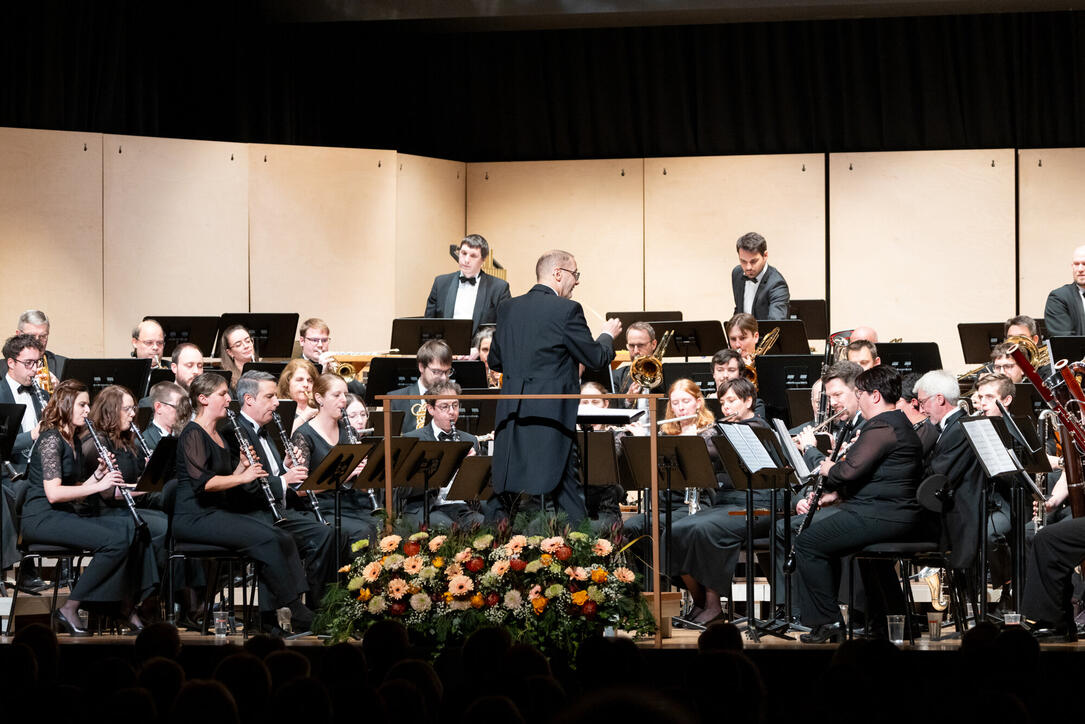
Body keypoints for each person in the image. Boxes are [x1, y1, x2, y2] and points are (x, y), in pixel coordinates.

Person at [795, 365, 929, 643]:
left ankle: (828, 621)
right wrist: (834, 495)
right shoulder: (895, 423)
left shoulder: (883, 426)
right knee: (869, 560)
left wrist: (819, 460)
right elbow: (869, 475)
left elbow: (846, 472)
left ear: (875, 396)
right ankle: (896, 623)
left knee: (808, 543)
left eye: (859, 393)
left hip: (883, 515)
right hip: (892, 514)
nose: (857, 399)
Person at [173, 372, 315, 632]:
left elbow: (226, 477)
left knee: (282, 536)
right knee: (267, 539)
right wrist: (245, 477)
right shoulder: (192, 433)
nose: (229, 399)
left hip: (215, 513)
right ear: (204, 399)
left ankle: (284, 614)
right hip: (194, 518)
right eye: (223, 394)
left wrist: (241, 467)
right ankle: (292, 609)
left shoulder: (217, 434)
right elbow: (203, 483)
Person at [488, 250, 621, 524]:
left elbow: (496, 361)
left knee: (507, 496)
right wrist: (607, 336)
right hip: (551, 419)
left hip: (512, 417)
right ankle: (580, 556)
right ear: (558, 273)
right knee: (566, 492)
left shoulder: (507, 308)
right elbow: (596, 357)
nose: (577, 282)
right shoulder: (567, 310)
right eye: (576, 274)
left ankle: (496, 555)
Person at [19, 380, 158, 635]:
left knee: (133, 527)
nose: (87, 410)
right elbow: (53, 493)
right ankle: (72, 607)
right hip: (42, 519)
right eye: (82, 404)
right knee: (115, 540)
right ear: (65, 405)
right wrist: (98, 485)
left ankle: (122, 605)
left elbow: (79, 485)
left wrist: (99, 475)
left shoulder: (70, 439)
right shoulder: (51, 438)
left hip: (61, 515)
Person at [668, 377, 773, 628]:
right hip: (727, 505)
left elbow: (714, 448)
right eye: (723, 402)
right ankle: (701, 602)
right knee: (676, 530)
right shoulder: (724, 428)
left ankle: (715, 606)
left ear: (748, 401)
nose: (726, 407)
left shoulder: (756, 426)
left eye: (732, 401)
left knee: (707, 530)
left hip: (756, 507)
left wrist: (695, 437)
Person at [227, 370, 336, 608]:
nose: (277, 403)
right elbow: (248, 485)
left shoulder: (267, 429)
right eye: (270, 397)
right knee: (315, 536)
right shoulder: (235, 432)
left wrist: (284, 466)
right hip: (255, 512)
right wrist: (286, 479)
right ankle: (304, 609)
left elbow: (270, 473)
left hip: (279, 507)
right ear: (249, 400)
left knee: (330, 532)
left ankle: (319, 607)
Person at [291, 374, 381, 552]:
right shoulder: (304, 435)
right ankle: (347, 578)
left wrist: (365, 474)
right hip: (321, 508)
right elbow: (299, 489)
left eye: (345, 395)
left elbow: (360, 486)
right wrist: (344, 475)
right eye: (336, 395)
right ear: (319, 398)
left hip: (352, 503)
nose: (343, 400)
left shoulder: (349, 433)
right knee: (362, 532)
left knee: (387, 525)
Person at [0, 333, 51, 589]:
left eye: (37, 363)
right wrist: (33, 434)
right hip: (8, 470)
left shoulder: (44, 396)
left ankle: (65, 569)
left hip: (39, 470)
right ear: (11, 362)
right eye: (29, 363)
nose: (35, 370)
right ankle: (25, 569)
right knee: (22, 494)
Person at [402, 381, 486, 530]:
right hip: (426, 506)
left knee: (484, 524)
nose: (452, 411)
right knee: (448, 528)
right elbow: (402, 489)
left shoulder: (470, 440)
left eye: (455, 405)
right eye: (444, 407)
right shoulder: (413, 439)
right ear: (431, 409)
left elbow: (477, 488)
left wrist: (470, 469)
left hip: (460, 506)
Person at [424, 234, 512, 335]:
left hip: (479, 349)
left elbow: (505, 327)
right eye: (463, 253)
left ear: (483, 260)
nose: (466, 260)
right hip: (446, 349)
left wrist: (480, 349)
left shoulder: (499, 288)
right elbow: (428, 326)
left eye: (473, 256)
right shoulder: (440, 283)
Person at [577, 381, 625, 534]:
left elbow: (612, 456)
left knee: (589, 530)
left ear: (605, 404)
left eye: (595, 402)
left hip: (605, 509)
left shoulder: (617, 435)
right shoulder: (570, 435)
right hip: (573, 506)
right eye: (584, 402)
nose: (589, 406)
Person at [387, 340, 454, 435]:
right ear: (421, 367)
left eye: (447, 372)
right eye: (437, 372)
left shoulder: (454, 398)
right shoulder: (396, 399)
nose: (444, 378)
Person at [296, 318, 366, 398]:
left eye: (324, 340)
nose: (320, 345)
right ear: (302, 341)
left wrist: (336, 375)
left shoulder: (333, 364)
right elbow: (309, 398)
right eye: (315, 340)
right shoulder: (295, 368)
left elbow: (361, 392)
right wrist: (325, 376)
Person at [729, 232, 790, 320]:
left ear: (765, 255)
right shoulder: (737, 273)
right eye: (743, 261)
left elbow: (775, 324)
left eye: (753, 261)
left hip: (764, 333)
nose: (748, 267)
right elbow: (739, 309)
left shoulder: (777, 284)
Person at [613, 322, 657, 410]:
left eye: (641, 345)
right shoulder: (616, 376)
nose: (636, 351)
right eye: (631, 346)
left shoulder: (666, 375)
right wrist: (628, 400)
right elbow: (611, 411)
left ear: (653, 344)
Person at [1043, 245, 1085, 337]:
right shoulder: (1058, 298)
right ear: (1072, 266)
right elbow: (1065, 341)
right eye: (1076, 264)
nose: (1080, 269)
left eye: (1084, 264)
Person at [16, 309, 66, 382]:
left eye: (43, 336)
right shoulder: (2, 368)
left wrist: (60, 390)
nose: (37, 342)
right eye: (31, 336)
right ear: (18, 335)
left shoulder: (64, 365)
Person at [278, 358, 319, 433]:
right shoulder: (278, 409)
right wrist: (306, 415)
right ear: (287, 383)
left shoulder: (319, 408)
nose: (306, 385)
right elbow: (282, 437)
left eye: (310, 381)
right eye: (299, 380)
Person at [219, 325, 256, 391]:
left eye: (248, 341)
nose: (246, 346)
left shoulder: (264, 373)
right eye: (238, 345)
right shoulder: (227, 382)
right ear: (230, 352)